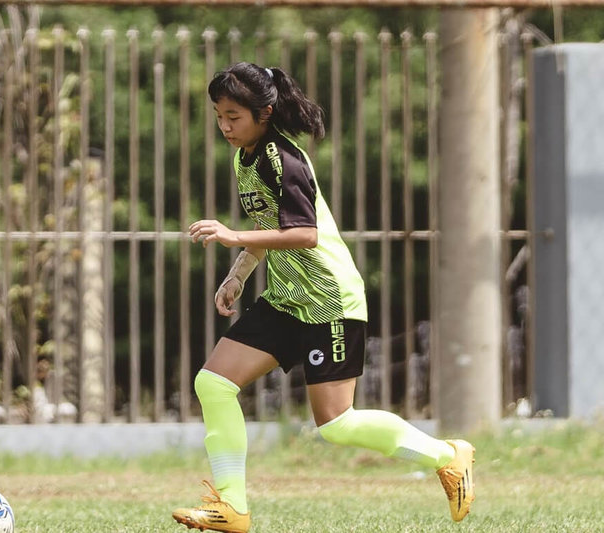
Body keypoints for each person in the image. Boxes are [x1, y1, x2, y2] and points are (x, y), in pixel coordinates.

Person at [171, 62, 475, 533]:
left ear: (264, 112)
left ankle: (447, 455)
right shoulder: (244, 156)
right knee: (213, 383)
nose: (224, 126)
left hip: (329, 302)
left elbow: (305, 234)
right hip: (286, 298)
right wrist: (239, 273)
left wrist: (232, 237)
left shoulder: (283, 158)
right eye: (219, 115)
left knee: (335, 424)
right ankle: (231, 508)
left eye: (233, 116)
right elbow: (267, 224)